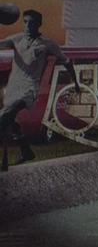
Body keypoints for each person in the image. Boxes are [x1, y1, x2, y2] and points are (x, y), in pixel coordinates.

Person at [1, 9, 78, 172]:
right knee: (10, 120)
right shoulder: (16, 39)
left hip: (28, 90)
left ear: (39, 23)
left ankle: (5, 160)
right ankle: (26, 151)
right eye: (25, 22)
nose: (28, 25)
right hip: (13, 88)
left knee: (3, 116)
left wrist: (76, 83)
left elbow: (66, 61)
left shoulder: (48, 44)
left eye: (32, 22)